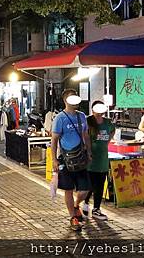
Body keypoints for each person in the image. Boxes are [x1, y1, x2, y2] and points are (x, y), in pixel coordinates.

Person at [51, 89, 92, 231]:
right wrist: (54, 160)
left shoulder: (81, 117)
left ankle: (76, 205)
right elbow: (54, 140)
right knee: (68, 189)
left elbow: (86, 135)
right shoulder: (60, 118)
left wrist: (89, 152)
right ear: (65, 101)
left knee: (85, 189)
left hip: (81, 158)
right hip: (65, 159)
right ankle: (73, 217)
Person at [82, 101, 115, 220]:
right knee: (90, 185)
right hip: (91, 159)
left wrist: (108, 141)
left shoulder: (107, 122)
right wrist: (89, 151)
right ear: (93, 110)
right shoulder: (87, 121)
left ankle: (96, 209)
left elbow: (112, 130)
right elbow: (85, 137)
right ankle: (85, 203)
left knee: (100, 185)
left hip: (103, 159)